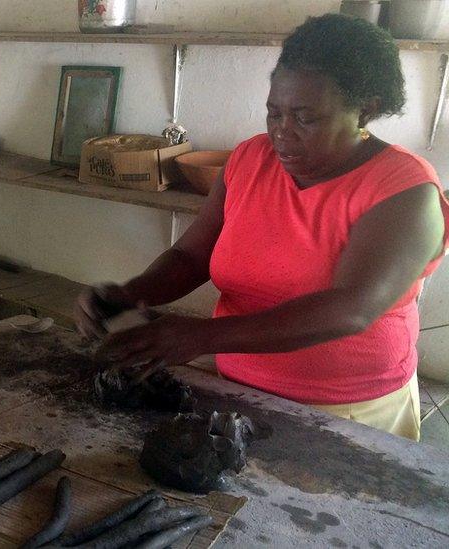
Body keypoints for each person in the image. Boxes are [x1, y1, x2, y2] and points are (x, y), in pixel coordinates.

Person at [76, 14, 449, 441]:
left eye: (305, 118)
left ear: (365, 110)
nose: (282, 133)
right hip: (236, 389)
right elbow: (192, 256)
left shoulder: (404, 191)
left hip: (347, 411)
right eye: (274, 112)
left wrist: (198, 337)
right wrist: (128, 294)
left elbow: (352, 308)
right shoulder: (250, 160)